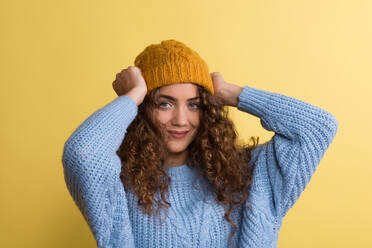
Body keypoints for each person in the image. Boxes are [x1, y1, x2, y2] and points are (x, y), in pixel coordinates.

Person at [62, 39, 338, 248]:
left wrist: (230, 93)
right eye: (165, 103)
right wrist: (132, 95)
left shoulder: (245, 175)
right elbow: (82, 153)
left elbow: (317, 128)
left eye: (194, 105)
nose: (181, 119)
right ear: (145, 108)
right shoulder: (119, 184)